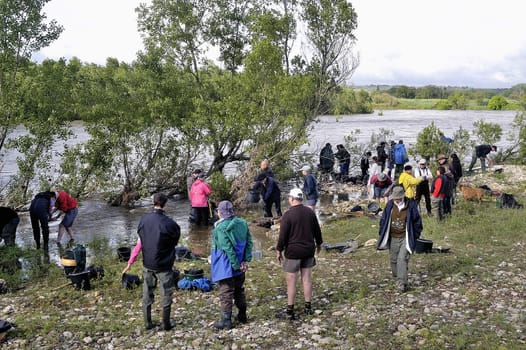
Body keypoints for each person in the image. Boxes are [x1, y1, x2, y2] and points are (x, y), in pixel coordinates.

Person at [122, 193, 181, 331]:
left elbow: (140, 240)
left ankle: (147, 323)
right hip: (164, 264)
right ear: (165, 204)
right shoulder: (171, 224)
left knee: (147, 293)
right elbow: (174, 242)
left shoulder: (143, 220)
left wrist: (131, 261)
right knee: (166, 293)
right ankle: (166, 324)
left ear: (153, 202)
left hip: (148, 262)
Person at [276, 188, 323, 320]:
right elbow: (317, 231)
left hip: (293, 252)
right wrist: (319, 244)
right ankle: (308, 308)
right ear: (301, 199)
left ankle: (290, 311)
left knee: (291, 282)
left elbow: (283, 235)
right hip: (308, 250)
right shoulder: (310, 212)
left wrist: (278, 250)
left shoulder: (288, 214)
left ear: (291, 199)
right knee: (307, 279)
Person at [210, 201, 253, 329]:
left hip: (226, 264)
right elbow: (249, 243)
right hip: (241, 263)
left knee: (225, 292)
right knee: (239, 289)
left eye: (218, 210)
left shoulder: (220, 228)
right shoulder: (243, 223)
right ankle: (242, 315)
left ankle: (226, 321)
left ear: (220, 212)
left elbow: (227, 248)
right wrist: (245, 260)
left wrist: (235, 265)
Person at [376, 186, 423, 292]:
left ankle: (402, 283)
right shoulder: (389, 205)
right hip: (393, 236)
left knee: (402, 259)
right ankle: (398, 277)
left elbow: (417, 222)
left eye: (398, 198)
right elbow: (383, 219)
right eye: (395, 198)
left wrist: (415, 235)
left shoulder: (411, 206)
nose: (396, 200)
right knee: (393, 260)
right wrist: (381, 232)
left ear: (402, 197)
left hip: (405, 236)